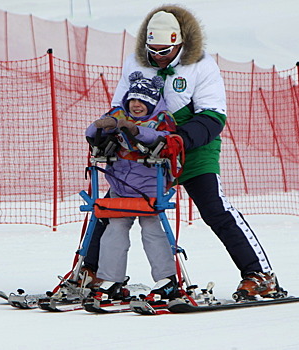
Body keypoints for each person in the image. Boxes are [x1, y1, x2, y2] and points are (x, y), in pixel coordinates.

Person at [81, 5, 286, 301]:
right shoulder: (134, 62)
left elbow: (214, 116)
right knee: (113, 207)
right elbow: (120, 105)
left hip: (192, 145)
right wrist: (110, 132)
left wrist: (178, 140)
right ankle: (92, 272)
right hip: (143, 145)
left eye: (164, 51)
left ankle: (259, 275)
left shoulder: (201, 64)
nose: (158, 56)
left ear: (178, 44)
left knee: (215, 209)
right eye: (153, 50)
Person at [84, 71, 180, 301]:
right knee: (113, 231)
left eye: (142, 101)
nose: (136, 105)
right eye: (133, 100)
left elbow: (161, 138)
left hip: (150, 189)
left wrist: (134, 130)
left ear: (152, 102)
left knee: (152, 232)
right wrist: (103, 126)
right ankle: (110, 280)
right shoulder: (118, 115)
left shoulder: (162, 119)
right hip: (121, 186)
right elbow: (91, 133)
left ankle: (167, 279)